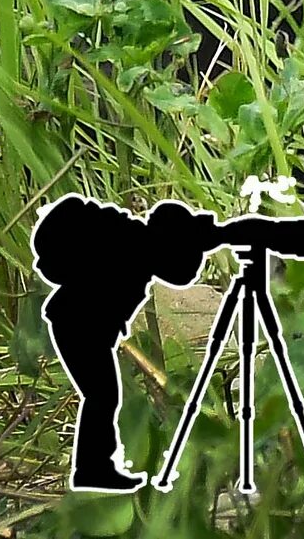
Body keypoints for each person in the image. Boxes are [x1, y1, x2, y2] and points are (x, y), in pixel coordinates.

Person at [32, 195, 215, 493]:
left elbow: (177, 271)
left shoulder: (137, 244)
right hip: (76, 322)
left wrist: (199, 233)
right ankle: (93, 470)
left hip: (79, 322)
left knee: (103, 396)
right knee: (103, 396)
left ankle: (95, 468)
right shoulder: (134, 247)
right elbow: (178, 271)